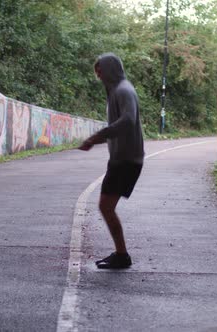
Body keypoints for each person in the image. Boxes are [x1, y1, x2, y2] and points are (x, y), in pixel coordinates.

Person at [78, 53, 145, 269]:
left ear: (111, 69)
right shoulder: (117, 90)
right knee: (106, 206)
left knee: (106, 206)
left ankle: (122, 255)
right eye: (96, 72)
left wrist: (97, 137)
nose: (98, 75)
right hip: (121, 158)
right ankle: (121, 254)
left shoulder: (124, 90)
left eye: (101, 70)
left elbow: (127, 120)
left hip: (127, 159)